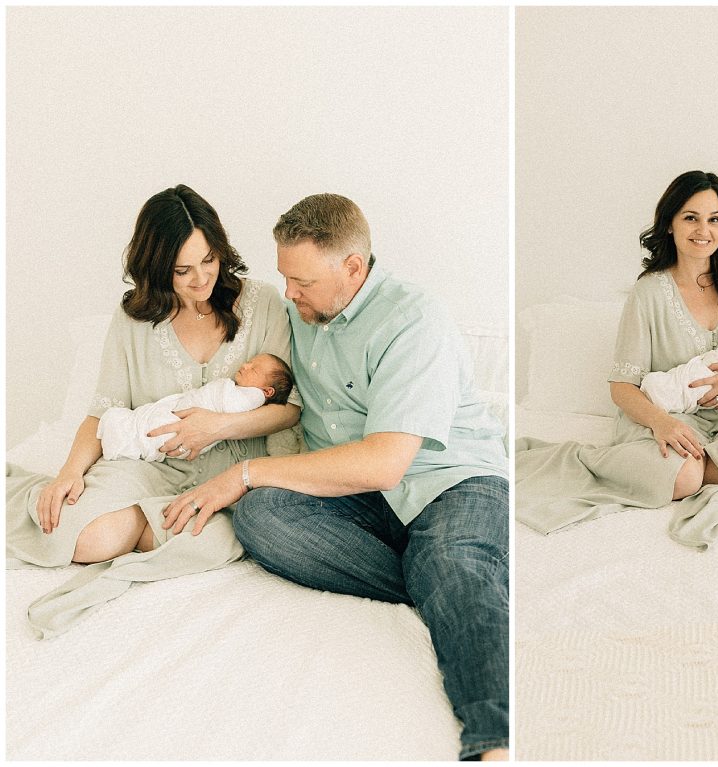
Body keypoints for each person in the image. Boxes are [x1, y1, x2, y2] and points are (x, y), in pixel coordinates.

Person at [159, 194, 510, 761]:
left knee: (454, 559)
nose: (290, 293)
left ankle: (497, 741)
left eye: (302, 281)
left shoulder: (413, 318)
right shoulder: (297, 315)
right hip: (355, 497)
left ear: (353, 267)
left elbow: (386, 462)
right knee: (262, 516)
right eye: (284, 278)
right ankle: (451, 578)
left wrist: (246, 471)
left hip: (450, 482)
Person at [6, 184, 301, 638]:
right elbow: (103, 410)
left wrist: (219, 426)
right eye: (182, 270)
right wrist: (69, 472)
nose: (201, 279)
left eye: (209, 260)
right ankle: (119, 514)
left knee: (212, 541)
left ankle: (142, 522)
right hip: (148, 463)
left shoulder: (263, 303)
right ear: (157, 268)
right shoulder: (133, 317)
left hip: (229, 474)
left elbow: (289, 410)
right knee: (77, 536)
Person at [515, 170, 718, 538]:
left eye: (714, 219)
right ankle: (603, 461)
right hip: (662, 421)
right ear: (670, 224)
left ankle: (702, 461)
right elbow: (622, 387)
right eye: (690, 217)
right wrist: (665, 423)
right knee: (686, 476)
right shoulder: (648, 293)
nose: (703, 230)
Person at [98, 353, 294, 461]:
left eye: (254, 369)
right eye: (248, 362)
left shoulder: (254, 397)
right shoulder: (245, 392)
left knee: (159, 430)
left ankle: (123, 436)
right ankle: (124, 432)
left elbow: (228, 404)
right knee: (153, 421)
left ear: (267, 392)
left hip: (194, 425)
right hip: (188, 409)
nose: (245, 366)